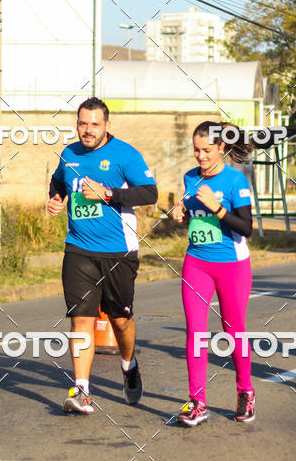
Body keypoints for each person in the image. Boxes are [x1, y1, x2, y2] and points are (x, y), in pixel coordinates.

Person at [46, 97, 158, 414]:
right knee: (81, 319)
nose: (88, 130)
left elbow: (150, 193)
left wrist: (108, 193)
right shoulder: (69, 154)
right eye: (83, 123)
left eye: (95, 124)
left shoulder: (125, 155)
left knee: (121, 321)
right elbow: (58, 182)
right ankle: (82, 390)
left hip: (118, 251)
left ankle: (129, 363)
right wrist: (55, 199)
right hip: (79, 247)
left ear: (107, 125)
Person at [172, 121, 254, 426]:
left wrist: (218, 208)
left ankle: (245, 391)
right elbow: (193, 213)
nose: (200, 156)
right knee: (195, 332)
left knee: (233, 332)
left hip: (232, 265)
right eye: (196, 150)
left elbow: (246, 228)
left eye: (207, 150)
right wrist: (181, 212)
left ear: (221, 147)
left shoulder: (236, 181)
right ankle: (198, 402)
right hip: (196, 262)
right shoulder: (189, 177)